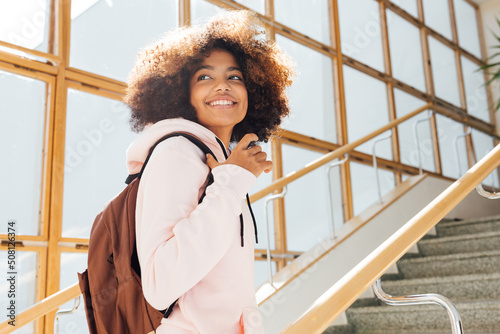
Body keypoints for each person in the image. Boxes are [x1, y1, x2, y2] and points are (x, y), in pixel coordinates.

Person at [124, 10, 294, 334]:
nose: (222, 87)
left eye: (235, 77)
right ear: (179, 93)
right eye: (204, 77)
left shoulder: (215, 157)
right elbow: (160, 282)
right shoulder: (178, 154)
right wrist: (230, 186)